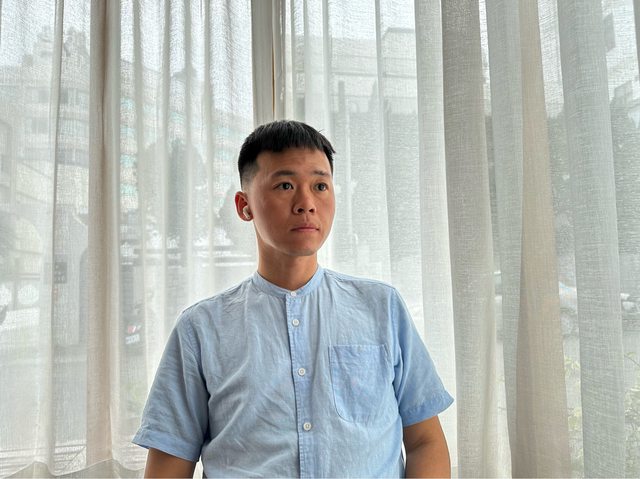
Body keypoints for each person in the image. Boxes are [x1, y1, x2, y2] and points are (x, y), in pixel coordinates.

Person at [133, 120, 453, 478]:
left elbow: (425, 441)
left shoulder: (383, 308)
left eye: (320, 186)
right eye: (285, 185)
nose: (306, 204)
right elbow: (168, 467)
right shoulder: (200, 329)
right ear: (244, 206)